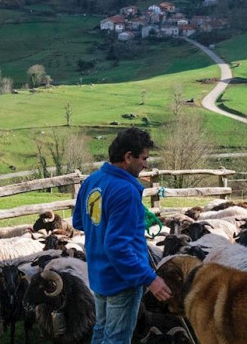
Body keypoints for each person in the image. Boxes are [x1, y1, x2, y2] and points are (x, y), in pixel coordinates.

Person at [72, 127, 172, 344]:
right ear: (128, 157)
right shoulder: (125, 190)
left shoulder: (92, 180)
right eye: (143, 158)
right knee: (117, 338)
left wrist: (106, 226)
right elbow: (117, 247)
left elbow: (79, 222)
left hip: (98, 274)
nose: (146, 164)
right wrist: (150, 278)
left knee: (101, 331)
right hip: (122, 280)